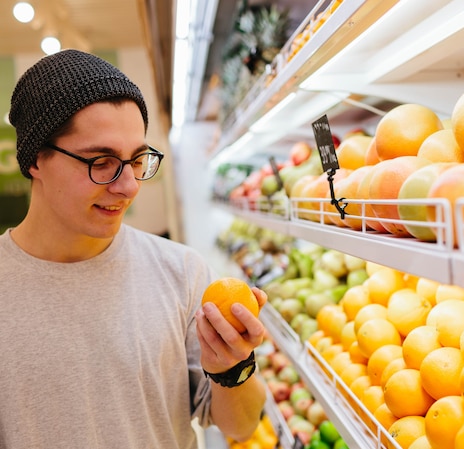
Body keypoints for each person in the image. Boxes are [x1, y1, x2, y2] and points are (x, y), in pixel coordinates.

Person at [0, 49, 267, 448]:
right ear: (37, 159)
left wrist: (233, 367)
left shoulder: (181, 271)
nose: (129, 186)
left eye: (138, 159)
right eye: (102, 161)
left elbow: (239, 427)